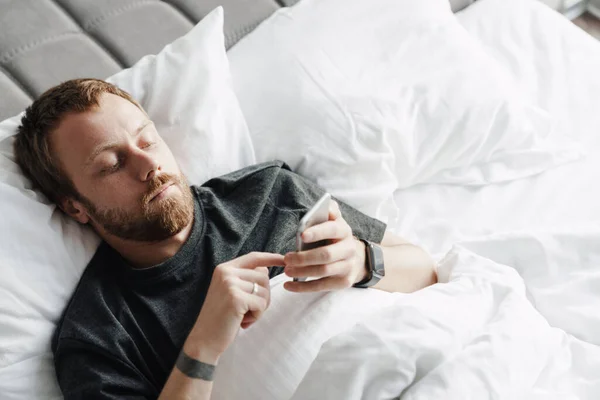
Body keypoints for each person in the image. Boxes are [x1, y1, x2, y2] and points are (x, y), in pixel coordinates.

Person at [14, 78, 437, 400]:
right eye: (112, 163)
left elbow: (426, 268)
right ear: (75, 207)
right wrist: (204, 343)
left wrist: (364, 262)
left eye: (147, 139)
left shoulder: (270, 192)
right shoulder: (99, 338)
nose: (149, 165)